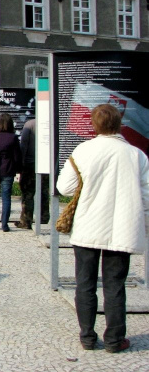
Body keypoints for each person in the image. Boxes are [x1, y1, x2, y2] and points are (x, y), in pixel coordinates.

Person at [57, 104, 149, 353]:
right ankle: (114, 339)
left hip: (88, 224)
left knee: (84, 283)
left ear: (94, 125)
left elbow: (64, 187)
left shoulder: (83, 151)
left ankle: (87, 336)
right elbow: (147, 194)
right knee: (115, 285)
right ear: (119, 123)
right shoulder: (136, 154)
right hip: (122, 226)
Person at [16, 118, 49, 229]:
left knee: (28, 194)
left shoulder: (30, 124)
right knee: (44, 192)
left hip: (30, 164)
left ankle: (26, 220)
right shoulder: (51, 122)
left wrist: (21, 163)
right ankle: (44, 218)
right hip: (46, 164)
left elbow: (24, 144)